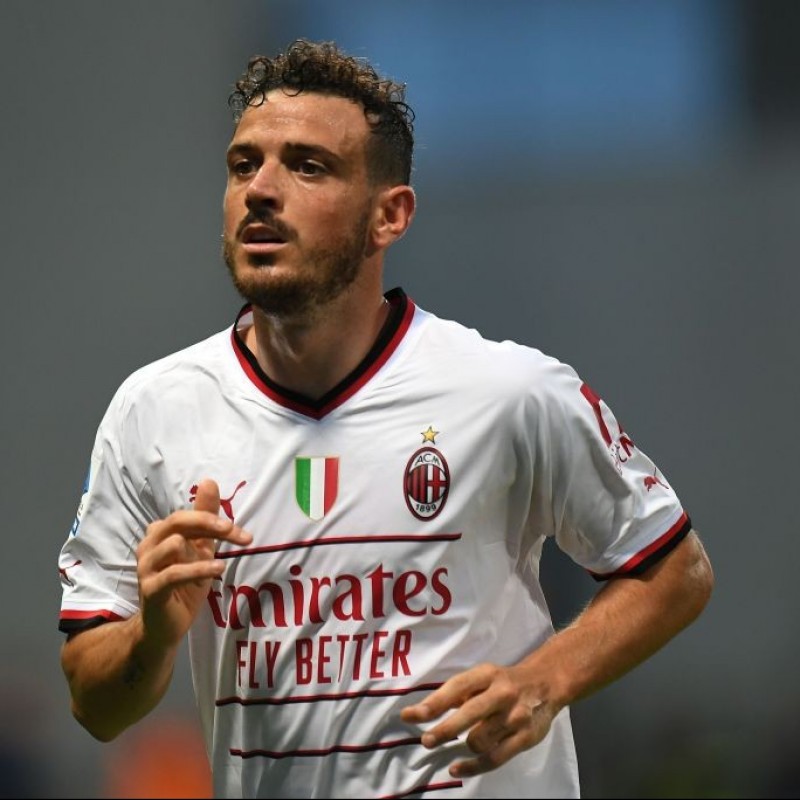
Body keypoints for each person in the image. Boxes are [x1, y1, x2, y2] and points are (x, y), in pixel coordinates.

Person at [57, 38, 714, 799]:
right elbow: (94, 704)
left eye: (307, 166)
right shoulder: (153, 411)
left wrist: (545, 681)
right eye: (244, 165)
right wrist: (153, 638)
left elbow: (676, 569)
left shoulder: (510, 392)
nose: (260, 191)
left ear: (389, 215)